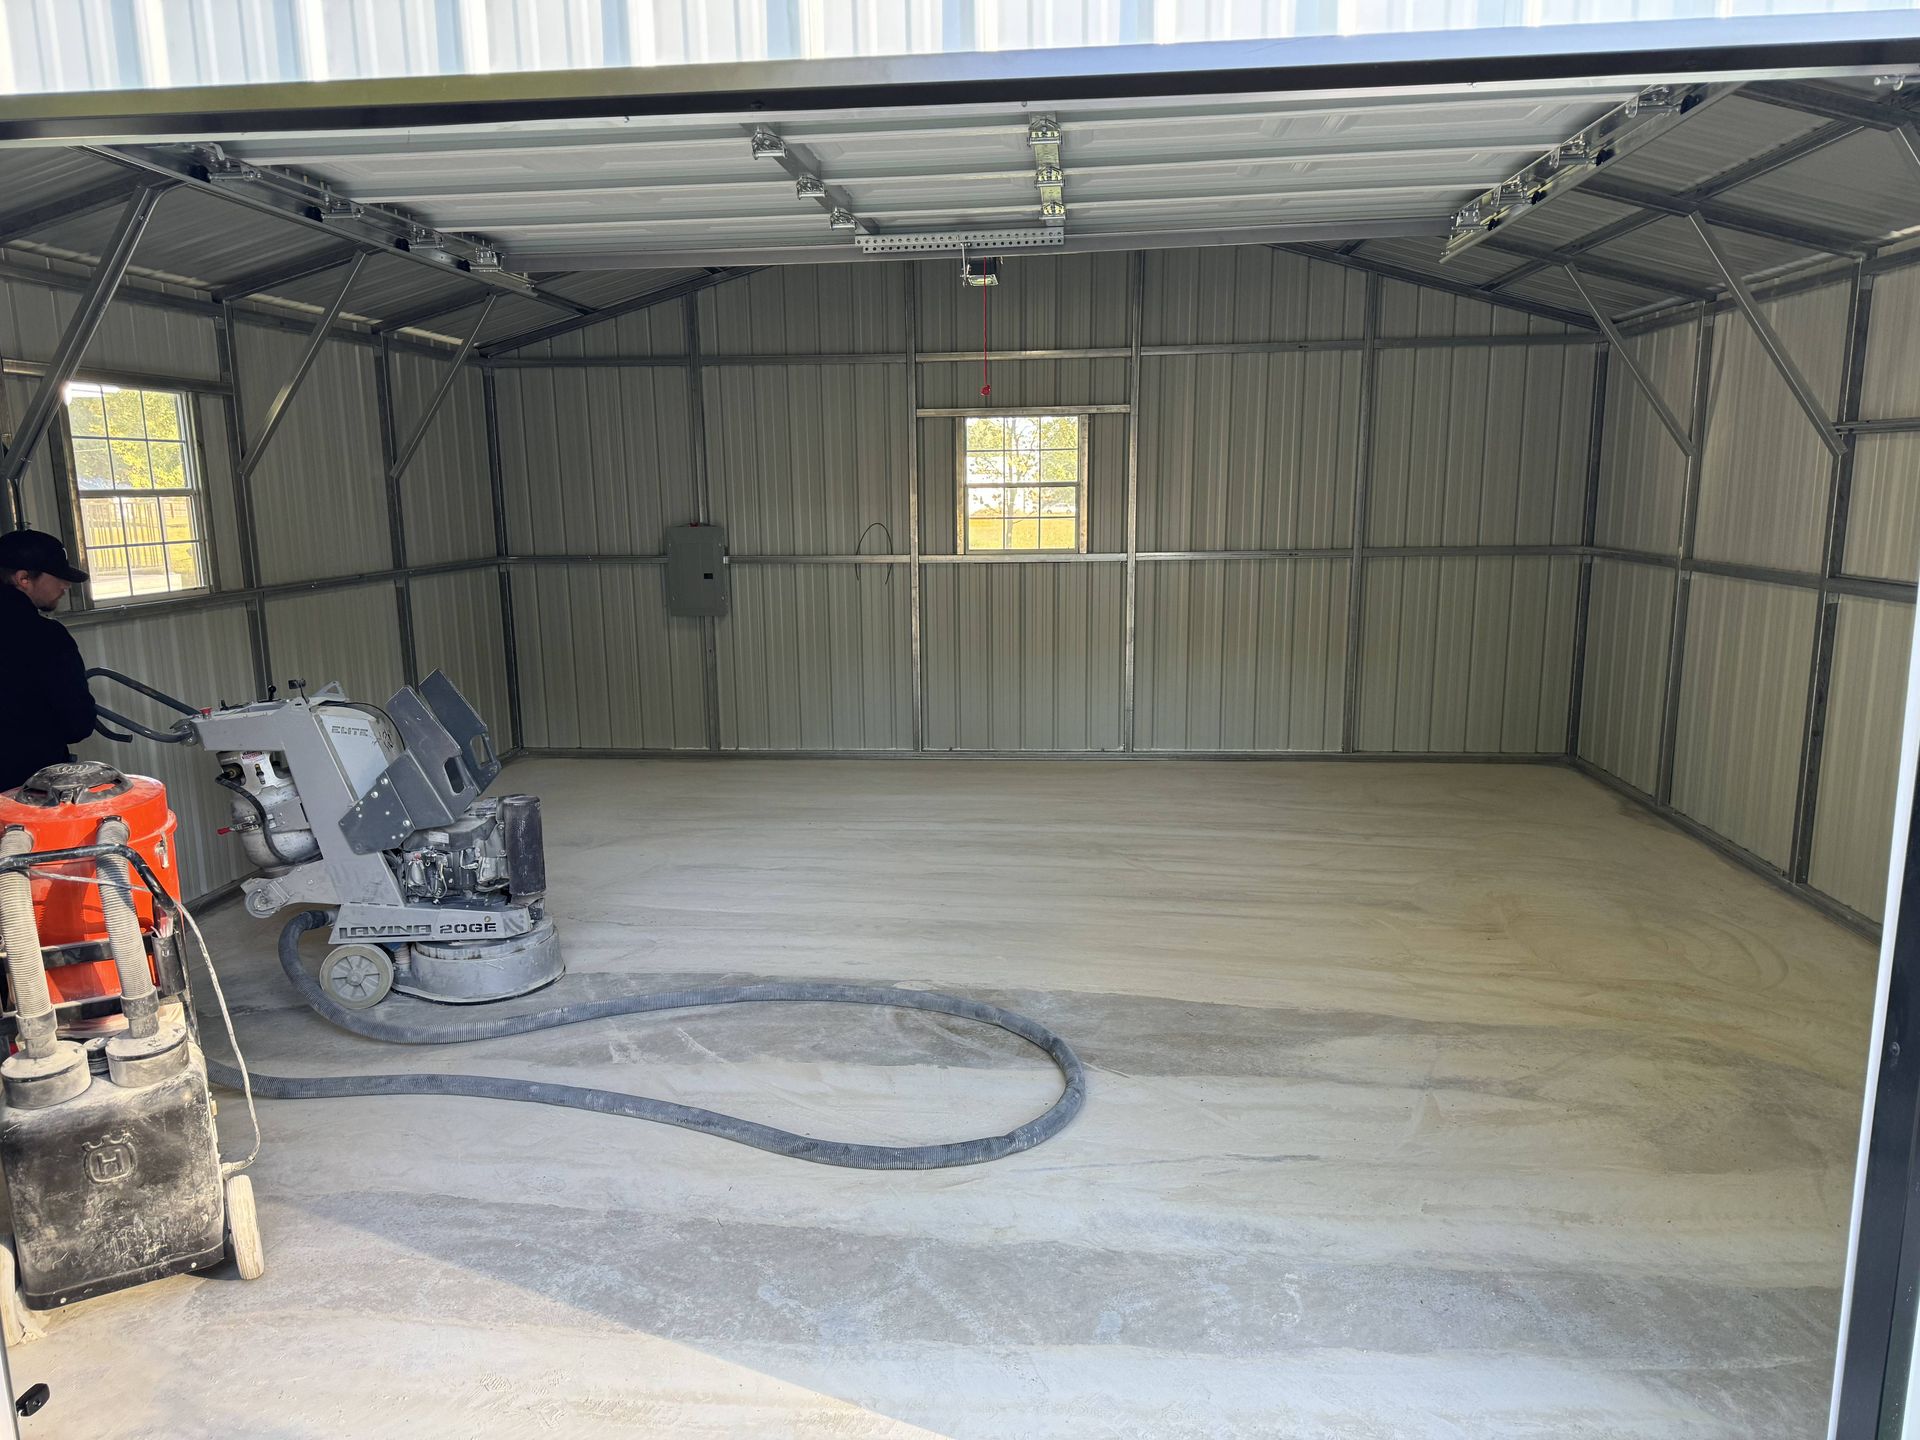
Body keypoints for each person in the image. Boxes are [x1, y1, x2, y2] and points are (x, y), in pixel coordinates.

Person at [0, 529, 97, 791]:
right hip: (27, 786)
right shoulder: (46, 638)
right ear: (23, 579)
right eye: (58, 577)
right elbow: (77, 724)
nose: (65, 586)